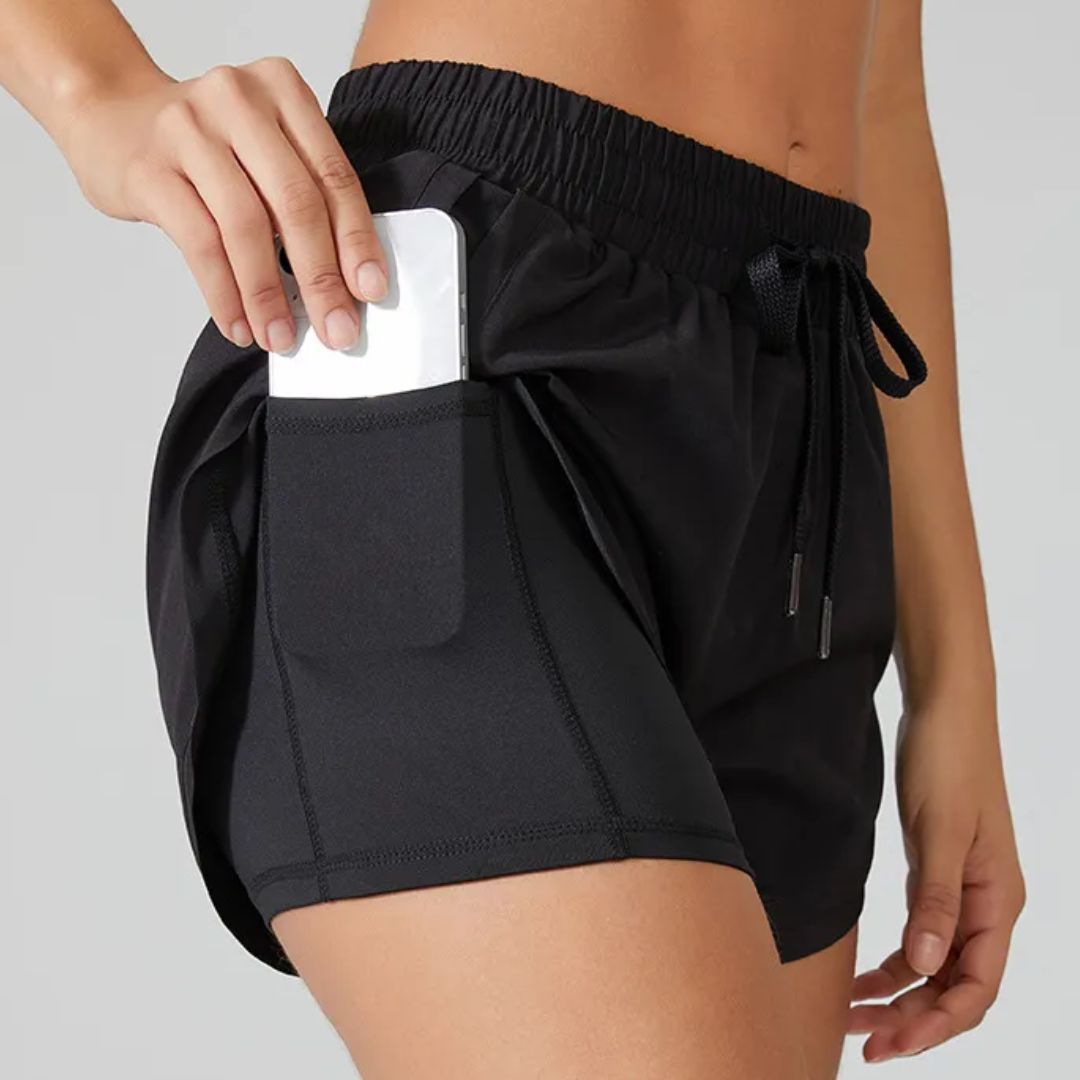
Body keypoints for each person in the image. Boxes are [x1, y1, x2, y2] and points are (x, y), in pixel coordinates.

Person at [1, 1, 1026, 1076]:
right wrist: (97, 92)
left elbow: (881, 91)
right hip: (468, 319)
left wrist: (957, 686)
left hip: (799, 394)